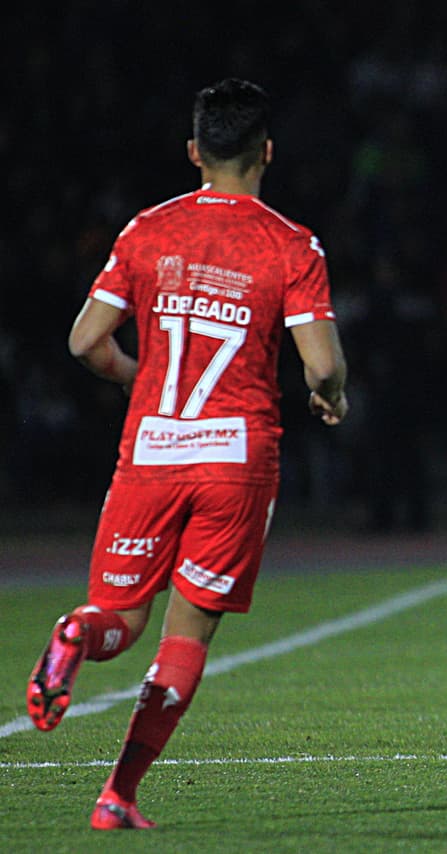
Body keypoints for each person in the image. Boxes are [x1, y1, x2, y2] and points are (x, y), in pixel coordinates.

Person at [25, 78, 349, 829]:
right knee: (185, 634)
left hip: (151, 448)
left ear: (195, 151)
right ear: (267, 153)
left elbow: (84, 340)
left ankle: (76, 634)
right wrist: (332, 396)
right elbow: (322, 364)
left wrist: (137, 379)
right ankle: (117, 795)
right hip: (235, 456)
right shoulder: (291, 244)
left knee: (118, 617)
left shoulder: (147, 230)